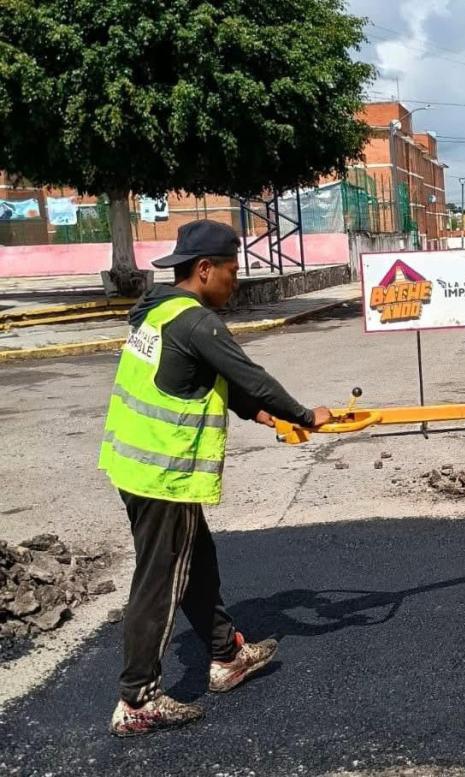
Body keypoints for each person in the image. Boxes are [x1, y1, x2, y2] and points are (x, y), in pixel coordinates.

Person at [98, 220, 332, 737]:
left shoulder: (158, 311)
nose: (235, 281)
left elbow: (204, 376)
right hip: (163, 473)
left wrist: (261, 414)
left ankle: (226, 655)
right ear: (204, 269)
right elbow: (249, 376)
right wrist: (303, 414)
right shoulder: (197, 322)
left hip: (135, 465)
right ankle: (137, 700)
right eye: (231, 270)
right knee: (160, 581)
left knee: (197, 562)